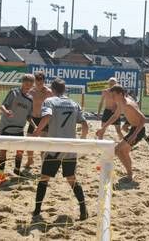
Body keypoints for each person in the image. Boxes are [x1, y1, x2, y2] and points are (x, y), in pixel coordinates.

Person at [32, 78, 89, 221]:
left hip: (55, 147)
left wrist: (37, 132)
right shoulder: (74, 103)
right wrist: (82, 139)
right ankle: (83, 210)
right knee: (72, 179)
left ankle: (37, 211)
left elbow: (47, 116)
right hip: (70, 147)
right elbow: (85, 124)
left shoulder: (50, 101)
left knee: (44, 178)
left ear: (52, 89)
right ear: (65, 90)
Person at [96, 85, 146, 182]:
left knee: (118, 150)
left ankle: (130, 175)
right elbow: (115, 117)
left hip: (138, 130)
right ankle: (130, 174)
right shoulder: (121, 103)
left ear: (120, 94)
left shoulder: (128, 104)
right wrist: (103, 128)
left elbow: (143, 119)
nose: (112, 98)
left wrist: (134, 135)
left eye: (114, 95)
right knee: (123, 152)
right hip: (134, 129)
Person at [0, 74, 34, 176]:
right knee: (3, 150)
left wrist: (34, 126)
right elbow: (2, 106)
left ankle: (17, 170)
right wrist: (6, 111)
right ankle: (1, 171)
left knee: (20, 151)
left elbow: (28, 117)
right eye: (26, 83)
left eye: (31, 84)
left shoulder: (30, 99)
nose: (28, 85)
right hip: (6, 126)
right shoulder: (14, 92)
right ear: (22, 82)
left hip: (19, 128)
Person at [26, 71, 53, 167]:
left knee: (43, 143)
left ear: (44, 81)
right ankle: (30, 160)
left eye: (41, 83)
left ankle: (44, 163)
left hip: (44, 119)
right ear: (34, 82)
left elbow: (54, 107)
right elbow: (27, 108)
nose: (39, 85)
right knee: (29, 141)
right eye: (37, 83)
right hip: (33, 118)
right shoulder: (31, 92)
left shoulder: (49, 92)